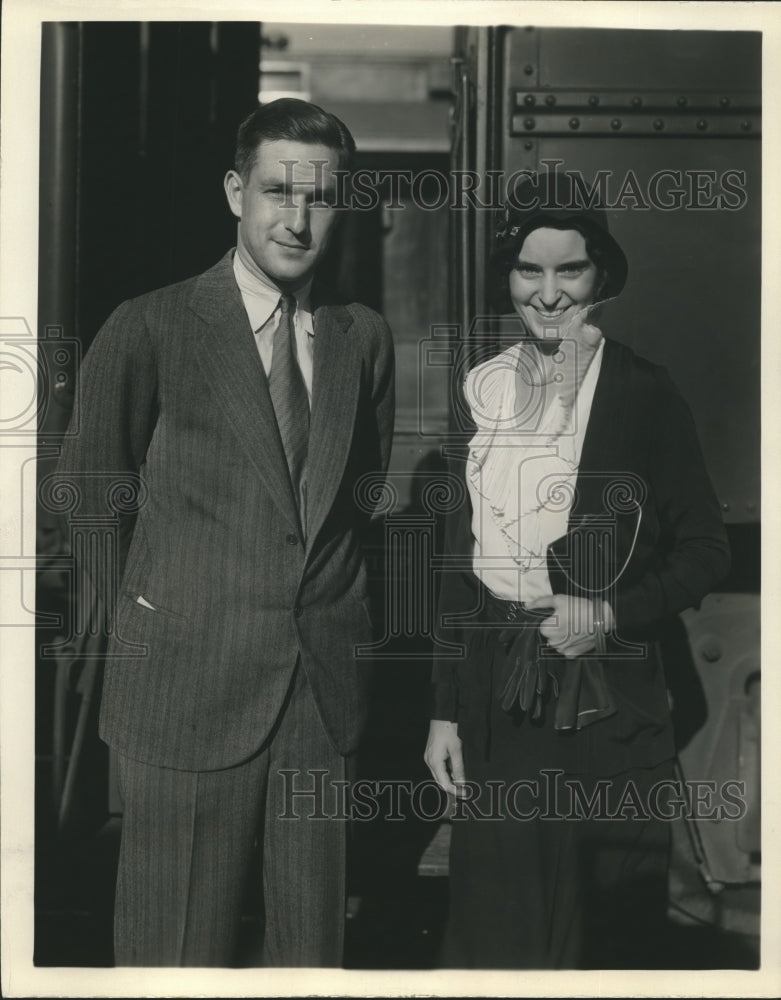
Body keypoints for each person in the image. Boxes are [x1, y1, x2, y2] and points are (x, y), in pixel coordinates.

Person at [58, 98, 394, 967]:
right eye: (279, 191)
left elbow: (352, 505)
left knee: (311, 958)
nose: (298, 217)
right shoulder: (152, 325)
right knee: (175, 955)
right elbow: (93, 491)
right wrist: (143, 626)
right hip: (185, 690)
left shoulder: (363, 339)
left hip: (320, 696)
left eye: (320, 197)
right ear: (235, 191)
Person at [424, 171, 729, 969]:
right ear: (508, 277)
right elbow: (460, 570)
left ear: (600, 278)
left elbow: (705, 551)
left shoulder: (642, 393)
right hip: (498, 705)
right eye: (530, 270)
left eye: (570, 271)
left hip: (606, 708)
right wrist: (446, 714)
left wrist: (605, 614)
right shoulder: (479, 390)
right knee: (498, 940)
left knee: (604, 946)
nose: (548, 293)